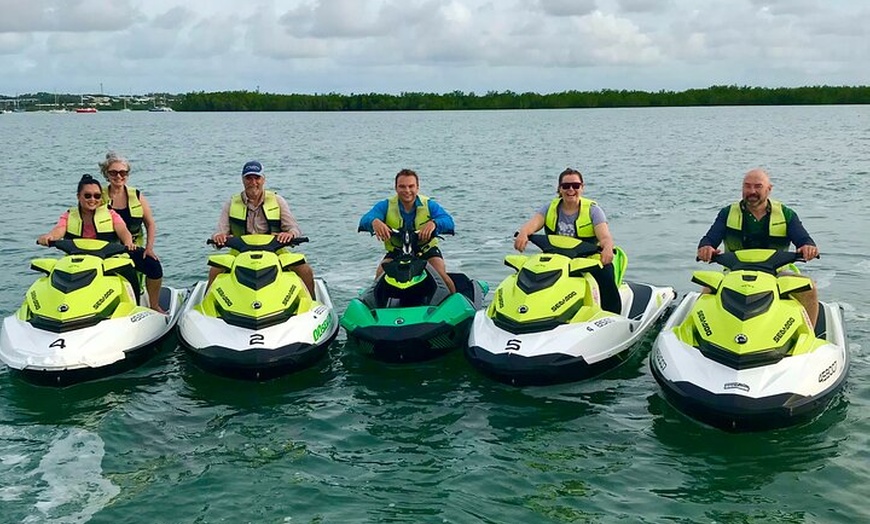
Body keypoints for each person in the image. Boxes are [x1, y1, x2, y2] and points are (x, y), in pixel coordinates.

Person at [697, 167, 819, 326]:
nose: (752, 191)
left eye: (758, 186)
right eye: (747, 186)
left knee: (808, 289)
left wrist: (808, 247)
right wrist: (706, 248)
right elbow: (709, 239)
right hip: (734, 272)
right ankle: (700, 337)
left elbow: (804, 239)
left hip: (776, 274)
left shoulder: (786, 214)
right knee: (707, 291)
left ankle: (809, 335)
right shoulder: (727, 213)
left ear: (769, 189)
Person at [37, 174, 165, 311]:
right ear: (78, 196)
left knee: (153, 265)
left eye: (97, 196)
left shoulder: (110, 214)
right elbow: (59, 230)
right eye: (87, 196)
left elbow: (123, 230)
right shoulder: (69, 216)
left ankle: (149, 305)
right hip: (79, 261)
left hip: (107, 259)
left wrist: (128, 242)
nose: (92, 199)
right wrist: (49, 237)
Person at [514, 167, 622, 314]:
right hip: (557, 259)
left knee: (606, 274)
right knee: (528, 274)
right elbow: (532, 224)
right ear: (559, 189)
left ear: (582, 188)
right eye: (566, 186)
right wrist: (523, 234)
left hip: (586, 259)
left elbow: (605, 237)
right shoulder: (549, 208)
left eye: (576, 186)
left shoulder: (593, 210)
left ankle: (613, 314)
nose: (571, 189)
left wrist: (608, 247)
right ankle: (527, 311)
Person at [210, 160, 315, 297]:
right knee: (214, 270)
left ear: (263, 179)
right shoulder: (231, 203)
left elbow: (293, 228)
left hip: (276, 251)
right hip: (239, 252)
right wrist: (218, 237)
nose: (253, 182)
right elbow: (220, 231)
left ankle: (312, 301)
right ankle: (207, 307)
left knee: (304, 269)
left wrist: (290, 234)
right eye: (249, 178)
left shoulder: (278, 201)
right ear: (243, 180)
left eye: (257, 178)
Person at [358, 168, 456, 294]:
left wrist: (434, 223)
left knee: (440, 274)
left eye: (411, 186)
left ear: (417, 187)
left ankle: (455, 300)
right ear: (396, 188)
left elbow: (448, 221)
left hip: (426, 250)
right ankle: (373, 306)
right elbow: (366, 218)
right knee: (380, 275)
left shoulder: (429, 205)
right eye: (402, 187)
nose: (407, 191)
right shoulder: (385, 205)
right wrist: (374, 222)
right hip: (397, 252)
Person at [98, 152, 165, 312]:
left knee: (154, 267)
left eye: (123, 172)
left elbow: (150, 224)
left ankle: (154, 305)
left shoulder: (136, 195)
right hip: (107, 249)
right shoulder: (98, 195)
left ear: (127, 174)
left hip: (132, 247)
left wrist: (149, 248)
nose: (118, 176)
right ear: (106, 174)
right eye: (113, 172)